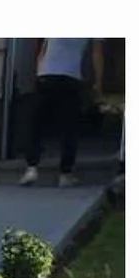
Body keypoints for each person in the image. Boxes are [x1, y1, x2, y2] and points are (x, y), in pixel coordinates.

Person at [20, 38, 96, 185]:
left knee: (37, 124)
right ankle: (65, 173)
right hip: (70, 77)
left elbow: (42, 47)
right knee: (69, 126)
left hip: (46, 75)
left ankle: (31, 168)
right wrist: (97, 82)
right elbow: (97, 54)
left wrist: (38, 71)